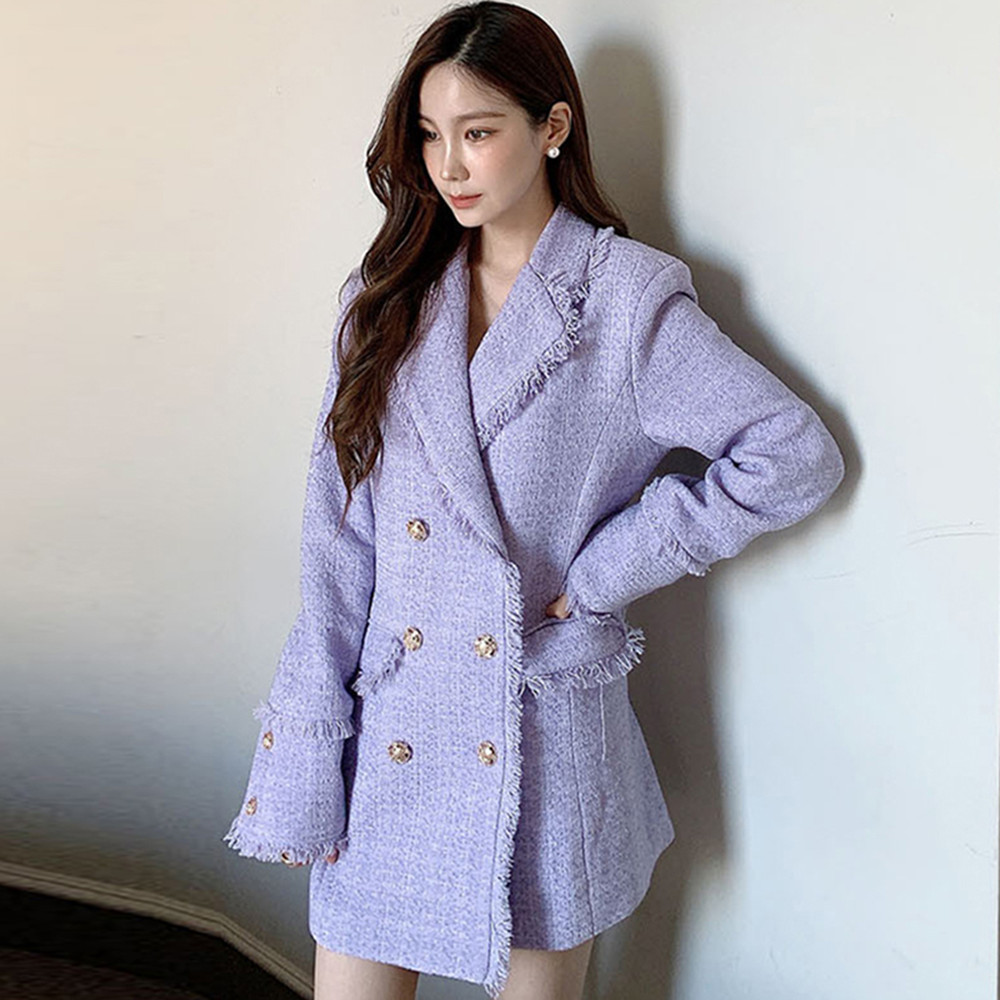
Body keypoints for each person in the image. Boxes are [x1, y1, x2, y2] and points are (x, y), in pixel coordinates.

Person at [222, 3, 846, 998]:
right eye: (429, 135)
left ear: (552, 126)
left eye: (478, 132)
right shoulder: (384, 299)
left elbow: (791, 453)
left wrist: (607, 570)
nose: (449, 165)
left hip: (539, 736)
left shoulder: (623, 300)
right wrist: (311, 745)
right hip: (395, 728)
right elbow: (338, 547)